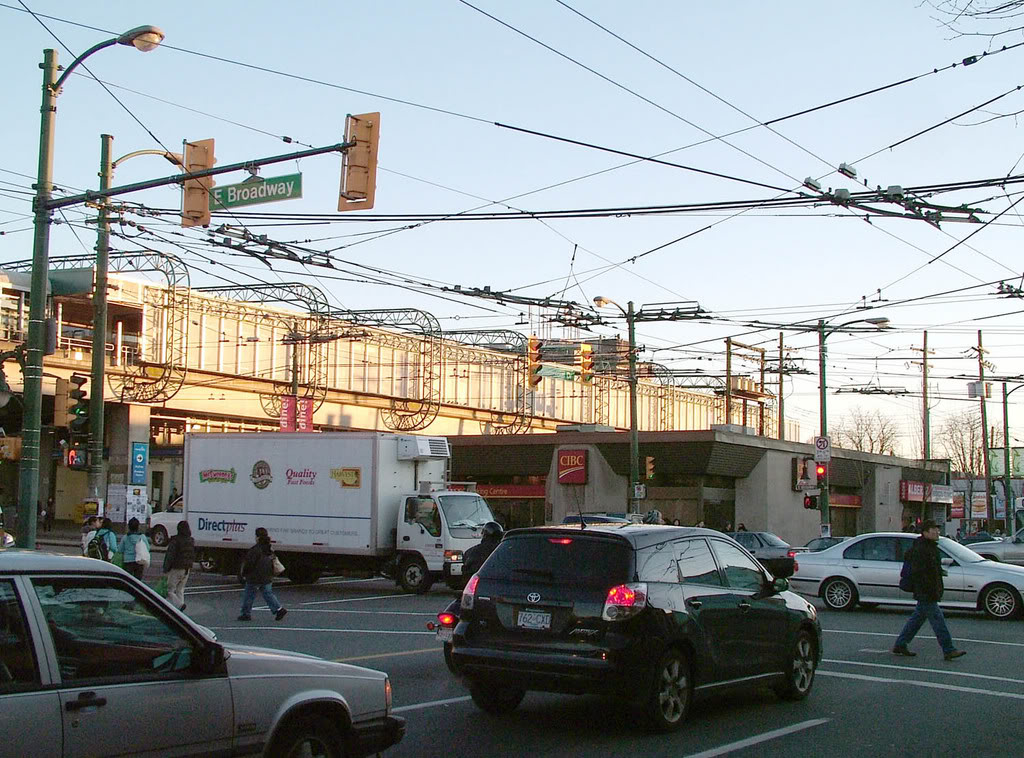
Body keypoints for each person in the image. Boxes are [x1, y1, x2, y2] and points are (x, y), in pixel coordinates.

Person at [893, 519, 966, 661]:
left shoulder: (930, 547)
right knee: (938, 620)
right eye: (934, 529)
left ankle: (900, 644)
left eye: (937, 529)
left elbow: (930, 569)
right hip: (926, 591)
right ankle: (948, 649)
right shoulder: (921, 550)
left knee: (917, 619)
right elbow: (919, 573)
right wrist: (929, 588)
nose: (937, 532)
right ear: (925, 532)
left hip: (928, 590)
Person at [238, 529, 287, 622]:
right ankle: (279, 609)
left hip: (255, 576)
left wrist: (244, 573)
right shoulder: (269, 548)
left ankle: (246, 613)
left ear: (257, 537)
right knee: (268, 593)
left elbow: (250, 563)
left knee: (249, 595)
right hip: (267, 575)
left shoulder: (255, 549)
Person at [164, 520, 195, 611]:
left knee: (169, 590)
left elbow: (170, 556)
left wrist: (166, 568)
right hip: (186, 569)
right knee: (180, 590)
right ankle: (179, 612)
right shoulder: (191, 540)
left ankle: (180, 605)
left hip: (176, 568)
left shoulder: (175, 541)